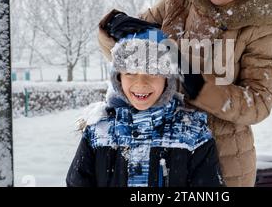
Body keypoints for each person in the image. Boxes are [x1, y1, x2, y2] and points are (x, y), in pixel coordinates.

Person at [98, 0, 272, 186]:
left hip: (224, 160)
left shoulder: (258, 27)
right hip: (160, 150)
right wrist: (116, 30)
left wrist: (200, 87)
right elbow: (128, 60)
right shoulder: (175, 3)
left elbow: (259, 102)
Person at [66, 25, 224, 187]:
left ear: (167, 79)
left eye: (153, 72)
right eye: (130, 72)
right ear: (118, 77)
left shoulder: (193, 134)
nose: (141, 82)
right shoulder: (99, 132)